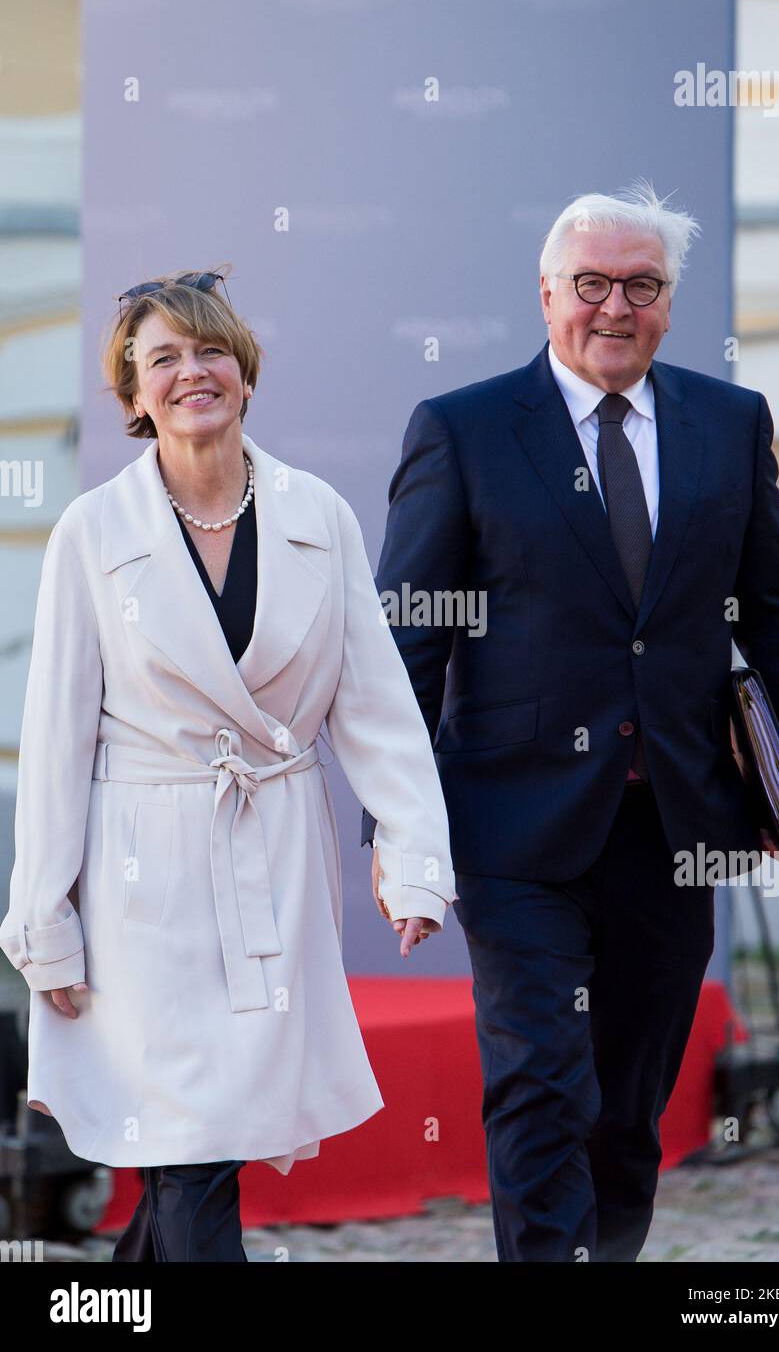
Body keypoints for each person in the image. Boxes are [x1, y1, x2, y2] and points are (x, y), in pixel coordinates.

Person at [361, 182, 779, 1262]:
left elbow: (772, 608)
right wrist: (399, 831)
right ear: (545, 296)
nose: (613, 307)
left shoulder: (726, 424)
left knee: (624, 1109)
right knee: (541, 1082)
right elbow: (405, 644)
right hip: (513, 830)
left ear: (669, 304)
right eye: (589, 284)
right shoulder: (461, 431)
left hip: (675, 830)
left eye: (640, 286)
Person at [0, 268, 455, 1262]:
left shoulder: (317, 514)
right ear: (131, 395)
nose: (190, 371)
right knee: (191, 1146)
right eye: (160, 358)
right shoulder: (92, 533)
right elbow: (55, 744)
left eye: (209, 351)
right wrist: (46, 921)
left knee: (203, 1151)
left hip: (273, 863)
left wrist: (414, 855)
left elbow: (374, 706)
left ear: (244, 373)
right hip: (140, 884)